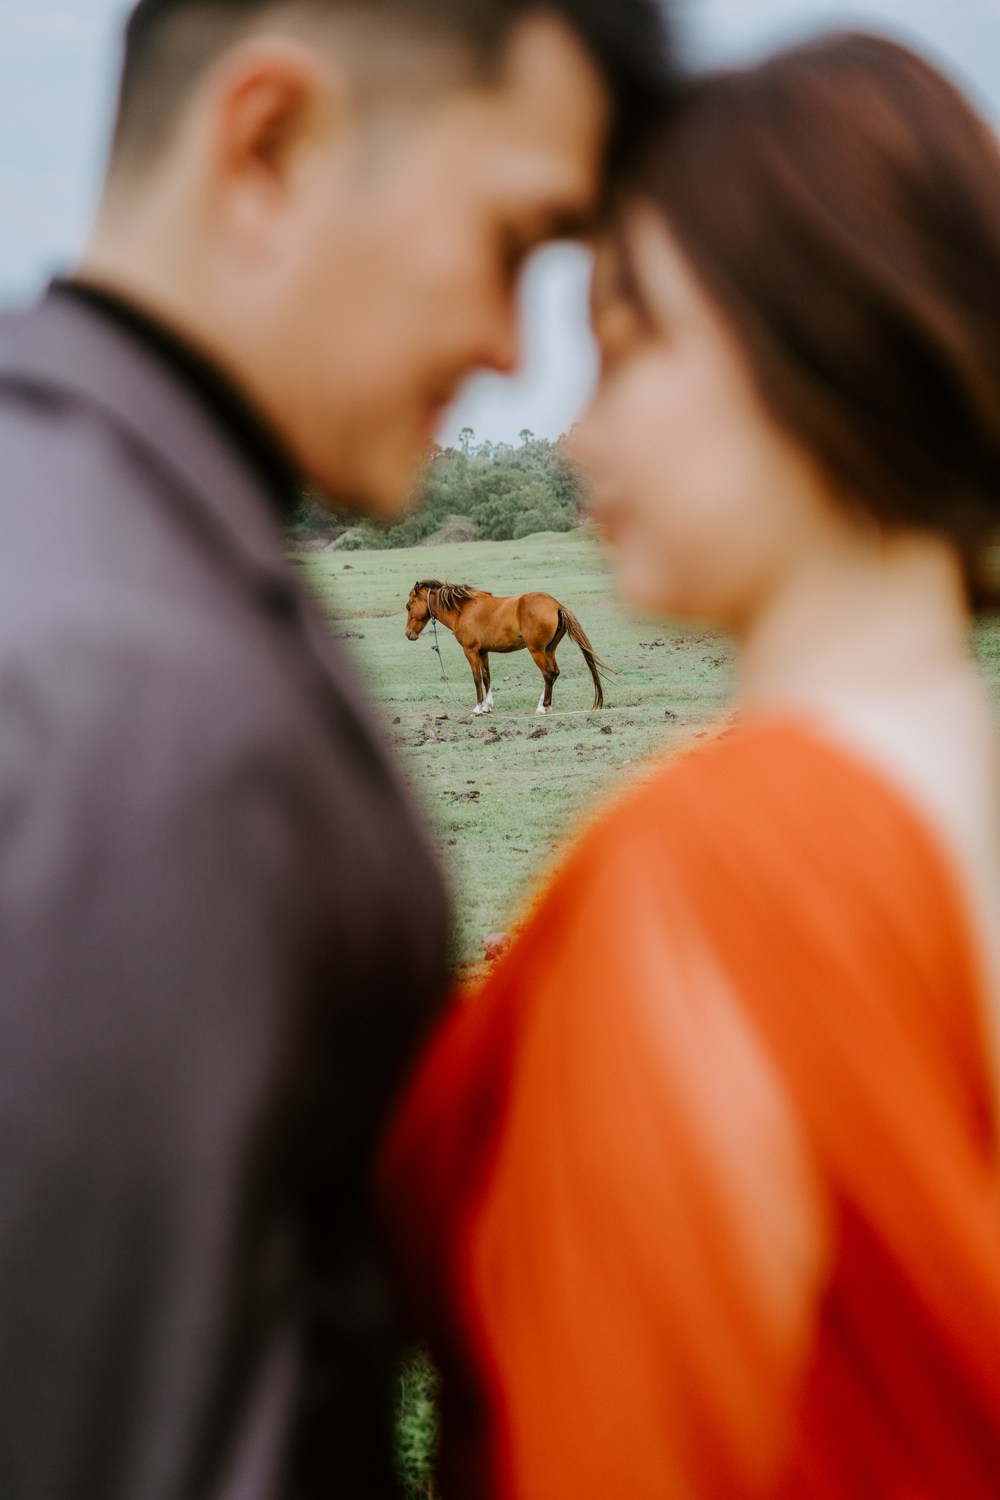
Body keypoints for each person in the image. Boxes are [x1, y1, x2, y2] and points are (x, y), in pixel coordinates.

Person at [0, 2, 673, 1498]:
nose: (513, 347)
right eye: (512, 243)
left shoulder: (88, 515)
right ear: (270, 144)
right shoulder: (142, 695)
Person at [381, 32, 1000, 1500]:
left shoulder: (722, 872)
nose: (580, 424)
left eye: (632, 336)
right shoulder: (956, 783)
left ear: (827, 334)